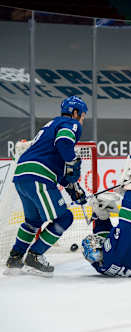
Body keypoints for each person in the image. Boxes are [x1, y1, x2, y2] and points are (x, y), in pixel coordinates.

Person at [4, 96, 88, 276]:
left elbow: (58, 168)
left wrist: (72, 187)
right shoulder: (71, 124)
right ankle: (35, 255)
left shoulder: (51, 124)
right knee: (65, 218)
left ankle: (15, 258)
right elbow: (63, 143)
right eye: (82, 116)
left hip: (22, 175)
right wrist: (74, 162)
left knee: (33, 221)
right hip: (38, 175)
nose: (82, 120)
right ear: (75, 113)